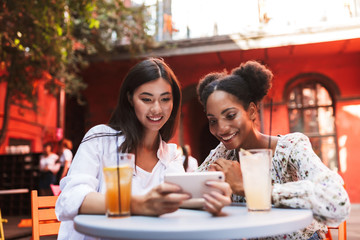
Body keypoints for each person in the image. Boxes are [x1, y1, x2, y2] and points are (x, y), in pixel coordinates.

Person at [55, 58, 232, 240]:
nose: (156, 109)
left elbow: (180, 205)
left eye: (165, 99)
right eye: (146, 99)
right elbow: (69, 200)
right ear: (130, 98)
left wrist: (209, 201)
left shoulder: (170, 156)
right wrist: (139, 204)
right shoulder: (101, 139)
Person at [196, 60, 350, 240]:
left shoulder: (290, 148)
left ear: (252, 111)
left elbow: (337, 200)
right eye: (213, 121)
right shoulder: (222, 154)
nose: (221, 129)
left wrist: (251, 189)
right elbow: (189, 191)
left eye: (230, 116)